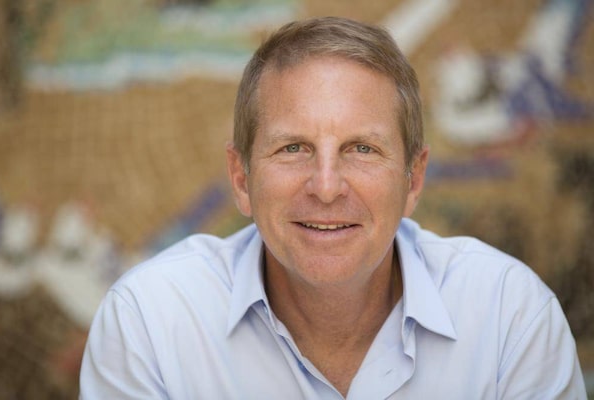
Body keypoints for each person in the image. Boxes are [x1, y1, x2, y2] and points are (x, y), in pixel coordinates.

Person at [79, 17, 587, 399]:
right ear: (241, 178)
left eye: (362, 149)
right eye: (292, 148)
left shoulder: (509, 317)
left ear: (414, 179)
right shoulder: (150, 321)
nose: (325, 187)